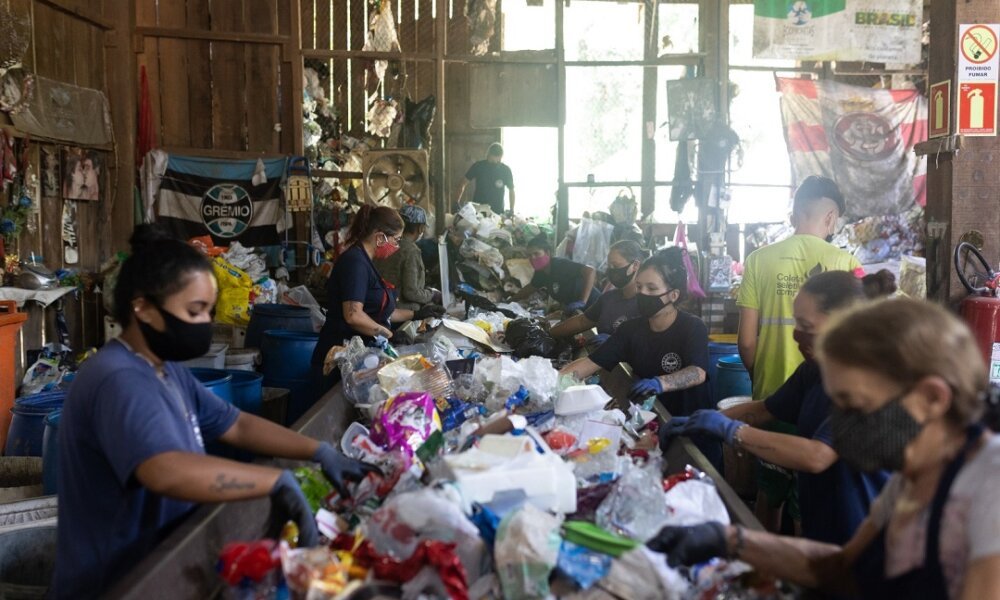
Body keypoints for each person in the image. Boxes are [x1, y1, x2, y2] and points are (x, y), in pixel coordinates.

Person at [52, 225, 377, 599]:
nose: (206, 323)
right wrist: (271, 481)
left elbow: (235, 425)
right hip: (115, 583)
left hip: (158, 567)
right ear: (142, 308)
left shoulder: (164, 367)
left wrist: (319, 451)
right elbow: (165, 470)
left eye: (208, 310)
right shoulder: (118, 379)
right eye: (195, 311)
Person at [646, 298, 1000, 599]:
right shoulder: (914, 476)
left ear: (931, 398)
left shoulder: (989, 486)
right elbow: (844, 567)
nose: (841, 427)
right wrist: (730, 540)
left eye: (855, 406)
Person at [662, 271, 891, 546]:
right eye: (797, 323)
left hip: (863, 532)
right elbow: (766, 410)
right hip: (822, 523)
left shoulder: (868, 380)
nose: (797, 335)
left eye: (806, 326)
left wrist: (734, 432)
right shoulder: (815, 370)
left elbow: (817, 456)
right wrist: (701, 420)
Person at [736, 175, 862, 532]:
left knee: (769, 492)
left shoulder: (759, 260)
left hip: (772, 398)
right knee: (809, 503)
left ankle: (763, 576)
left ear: (795, 214)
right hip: (824, 402)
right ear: (830, 216)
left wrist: (760, 376)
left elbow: (746, 341)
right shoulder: (846, 262)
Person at [559, 248, 711, 419]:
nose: (643, 294)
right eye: (639, 287)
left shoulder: (692, 327)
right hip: (649, 419)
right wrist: (552, 382)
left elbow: (698, 372)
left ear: (673, 295)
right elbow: (590, 363)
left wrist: (661, 383)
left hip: (690, 423)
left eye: (652, 288)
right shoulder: (630, 330)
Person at [312, 205, 442, 390]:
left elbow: (380, 311)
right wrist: (389, 334)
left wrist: (417, 314)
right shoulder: (355, 263)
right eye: (395, 240)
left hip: (354, 358)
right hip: (336, 358)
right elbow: (353, 315)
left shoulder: (366, 261)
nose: (396, 246)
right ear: (380, 237)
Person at [549, 240, 644, 346]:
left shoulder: (647, 304)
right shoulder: (608, 299)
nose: (611, 271)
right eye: (609, 266)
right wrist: (548, 334)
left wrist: (617, 344)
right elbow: (582, 322)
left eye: (616, 266)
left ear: (635, 265)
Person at [375, 205, 443, 312]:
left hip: (380, 305)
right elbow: (411, 292)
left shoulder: (387, 243)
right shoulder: (411, 251)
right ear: (420, 228)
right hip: (400, 311)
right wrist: (432, 294)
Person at [514, 234, 600, 312]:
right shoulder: (541, 273)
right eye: (529, 255)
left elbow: (590, 271)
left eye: (536, 253)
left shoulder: (560, 265)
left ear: (547, 253)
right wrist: (510, 300)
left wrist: (582, 301)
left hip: (594, 304)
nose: (533, 258)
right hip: (577, 310)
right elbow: (529, 288)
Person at [455, 142, 515, 214]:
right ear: (488, 154)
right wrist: (456, 201)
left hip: (497, 212)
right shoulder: (478, 166)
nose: (496, 160)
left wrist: (511, 209)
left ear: (501, 156)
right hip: (478, 210)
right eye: (493, 157)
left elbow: (511, 190)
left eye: (498, 158)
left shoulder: (505, 170)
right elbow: (463, 183)